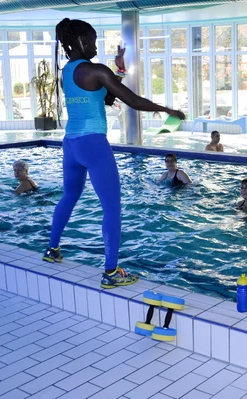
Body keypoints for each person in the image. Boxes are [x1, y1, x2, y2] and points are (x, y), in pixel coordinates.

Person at [43, 18, 185, 289]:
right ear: (82, 41)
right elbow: (131, 100)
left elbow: (105, 96)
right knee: (112, 207)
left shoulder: (67, 71)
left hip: (71, 144)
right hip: (94, 144)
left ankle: (53, 249)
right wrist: (166, 110)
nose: (96, 45)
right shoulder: (95, 70)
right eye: (94, 39)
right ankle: (111, 271)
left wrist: (119, 68)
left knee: (70, 196)